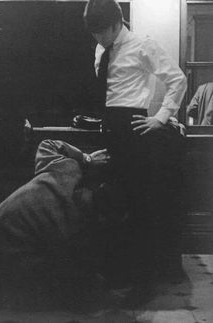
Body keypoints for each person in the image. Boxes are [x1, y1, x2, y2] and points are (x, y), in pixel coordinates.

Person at [83, 0, 187, 284]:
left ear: (118, 23)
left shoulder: (143, 45)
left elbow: (177, 80)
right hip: (110, 128)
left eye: (103, 32)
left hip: (134, 128)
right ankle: (120, 274)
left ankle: (144, 282)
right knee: (113, 203)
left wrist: (161, 117)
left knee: (139, 205)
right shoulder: (100, 48)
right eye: (94, 33)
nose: (99, 38)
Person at [0, 139, 115, 310]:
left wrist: (88, 160)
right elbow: (76, 275)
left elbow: (48, 144)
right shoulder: (69, 230)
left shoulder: (64, 171)